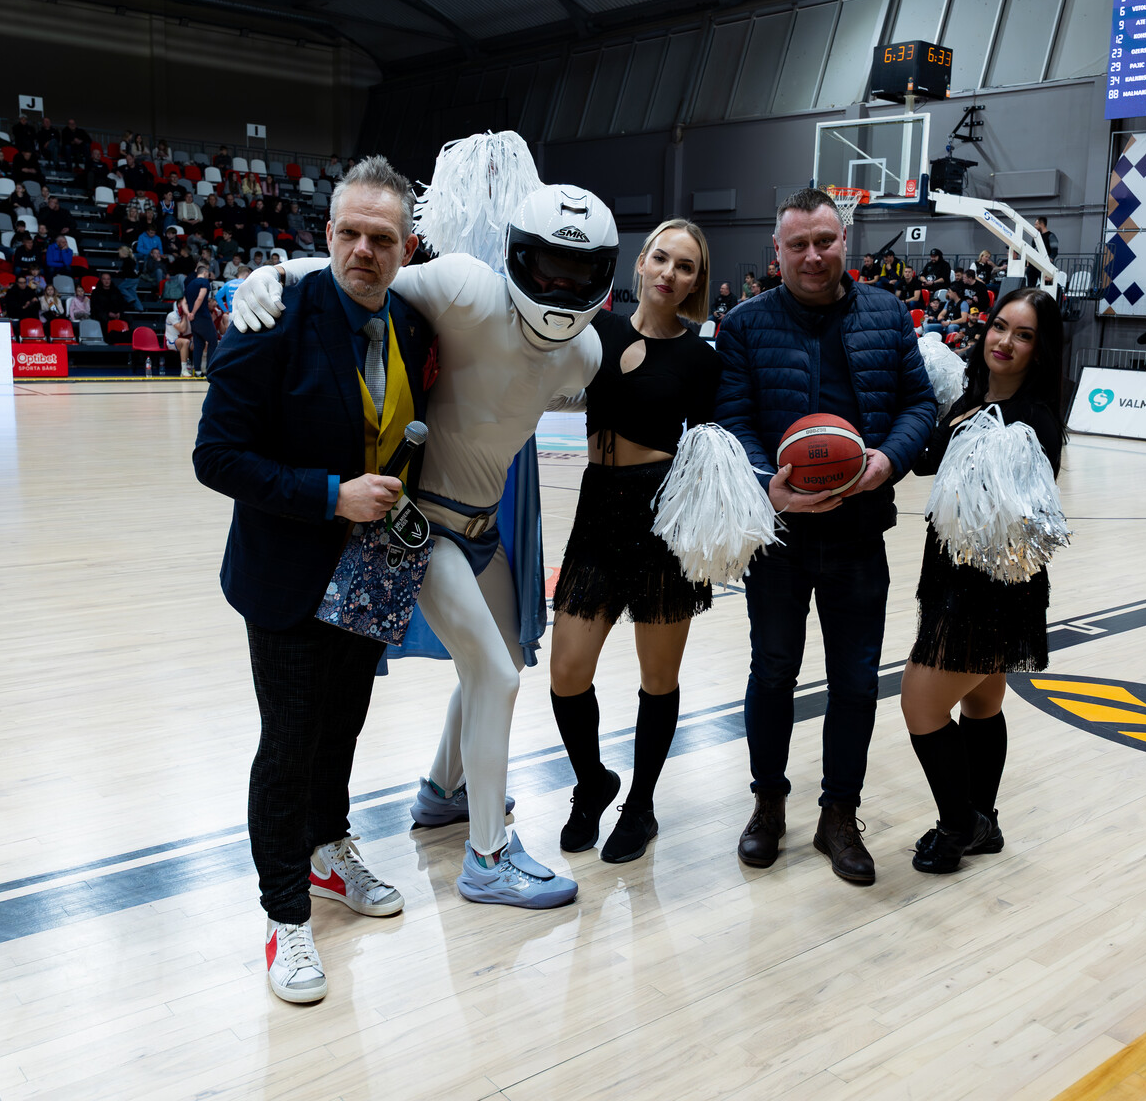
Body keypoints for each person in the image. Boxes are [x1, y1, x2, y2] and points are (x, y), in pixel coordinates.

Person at [231, 168, 614, 910]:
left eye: (577, 272)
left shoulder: (584, 354)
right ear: (518, 256)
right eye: (547, 267)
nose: (559, 286)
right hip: (419, 526)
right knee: (495, 675)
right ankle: (488, 857)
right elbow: (366, 274)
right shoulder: (468, 288)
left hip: (483, 530)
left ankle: (442, 790)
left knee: (502, 664)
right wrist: (270, 275)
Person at [193, 156, 438, 1006]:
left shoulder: (413, 325)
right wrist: (331, 495)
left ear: (407, 249)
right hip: (289, 571)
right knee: (290, 743)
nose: (364, 250)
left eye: (382, 238)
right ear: (326, 235)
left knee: (343, 727)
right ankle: (284, 915)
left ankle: (329, 851)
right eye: (350, 233)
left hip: (374, 571)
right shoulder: (270, 317)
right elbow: (216, 457)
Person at [715, 187, 938, 886]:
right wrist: (767, 483)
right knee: (772, 671)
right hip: (778, 534)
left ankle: (839, 814)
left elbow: (919, 403)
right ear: (776, 252)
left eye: (824, 241)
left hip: (858, 531)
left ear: (845, 241)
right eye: (798, 245)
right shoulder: (744, 324)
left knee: (854, 680)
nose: (812, 256)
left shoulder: (886, 312)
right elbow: (733, 419)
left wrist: (887, 461)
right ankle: (768, 803)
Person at [549, 218, 722, 864]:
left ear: (695, 282)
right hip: (597, 506)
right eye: (662, 258)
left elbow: (712, 451)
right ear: (641, 262)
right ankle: (592, 782)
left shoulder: (701, 358)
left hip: (660, 517)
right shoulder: (596, 331)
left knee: (658, 676)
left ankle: (641, 805)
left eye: (686, 266)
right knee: (567, 671)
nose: (670, 273)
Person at [900, 287, 1066, 874]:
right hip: (951, 576)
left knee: (920, 703)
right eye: (1000, 326)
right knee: (982, 701)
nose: (1005, 341)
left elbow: (1018, 519)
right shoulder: (971, 400)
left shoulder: (1031, 422)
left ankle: (956, 826)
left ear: (1041, 351)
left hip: (987, 588)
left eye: (1024, 335)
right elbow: (926, 460)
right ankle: (984, 821)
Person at [184, 265, 216, 375]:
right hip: (202, 315)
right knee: (213, 341)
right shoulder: (204, 282)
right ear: (205, 272)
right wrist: (193, 312)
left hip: (193, 319)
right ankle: (209, 369)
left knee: (198, 344)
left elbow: (183, 302)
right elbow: (200, 298)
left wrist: (188, 313)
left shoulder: (189, 284)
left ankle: (197, 371)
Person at [164, 297, 193, 375]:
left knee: (201, 342)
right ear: (180, 304)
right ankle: (184, 370)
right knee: (185, 342)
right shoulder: (172, 315)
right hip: (172, 341)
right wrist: (184, 315)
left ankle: (199, 369)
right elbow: (182, 329)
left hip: (186, 339)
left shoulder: (190, 314)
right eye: (186, 303)